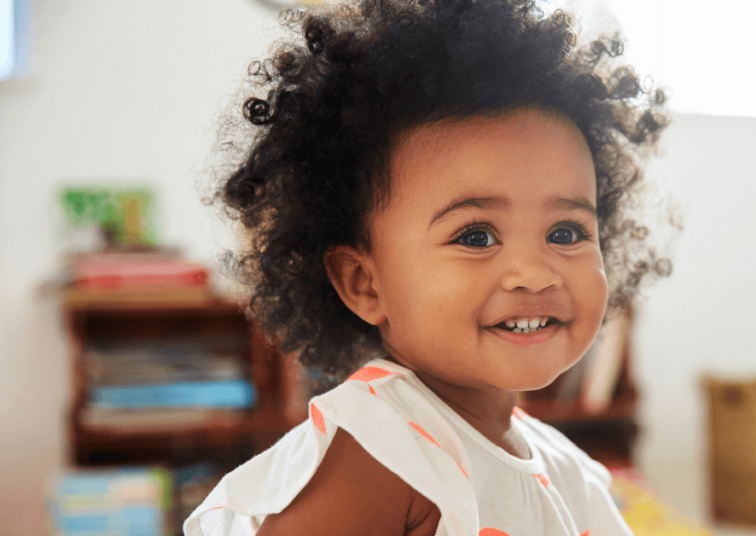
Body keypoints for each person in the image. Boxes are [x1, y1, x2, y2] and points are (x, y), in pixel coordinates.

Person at [185, 0, 672, 534]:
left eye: (566, 233)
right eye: (477, 236)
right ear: (363, 283)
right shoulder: (382, 453)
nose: (535, 273)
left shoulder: (566, 468)